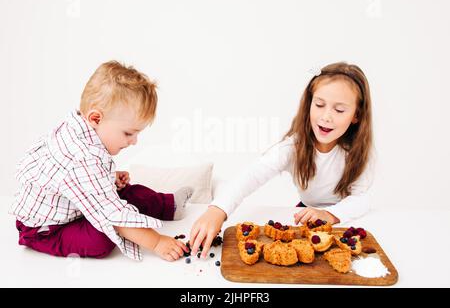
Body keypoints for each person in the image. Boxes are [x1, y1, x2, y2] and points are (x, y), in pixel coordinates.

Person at [10, 61, 191, 261]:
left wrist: (107, 177)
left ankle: (170, 205)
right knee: (103, 239)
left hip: (72, 202)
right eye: (128, 133)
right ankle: (157, 211)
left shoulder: (81, 128)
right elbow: (112, 215)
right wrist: (157, 242)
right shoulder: (82, 157)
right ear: (96, 118)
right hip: (47, 229)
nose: (134, 141)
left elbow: (73, 178)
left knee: (126, 192)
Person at [190, 62, 375, 258]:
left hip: (345, 219)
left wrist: (329, 215)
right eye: (319, 105)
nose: (326, 116)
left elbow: (361, 200)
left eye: (339, 110)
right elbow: (252, 175)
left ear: (356, 115)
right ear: (309, 103)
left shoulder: (357, 152)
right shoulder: (293, 148)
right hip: (304, 217)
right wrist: (218, 210)